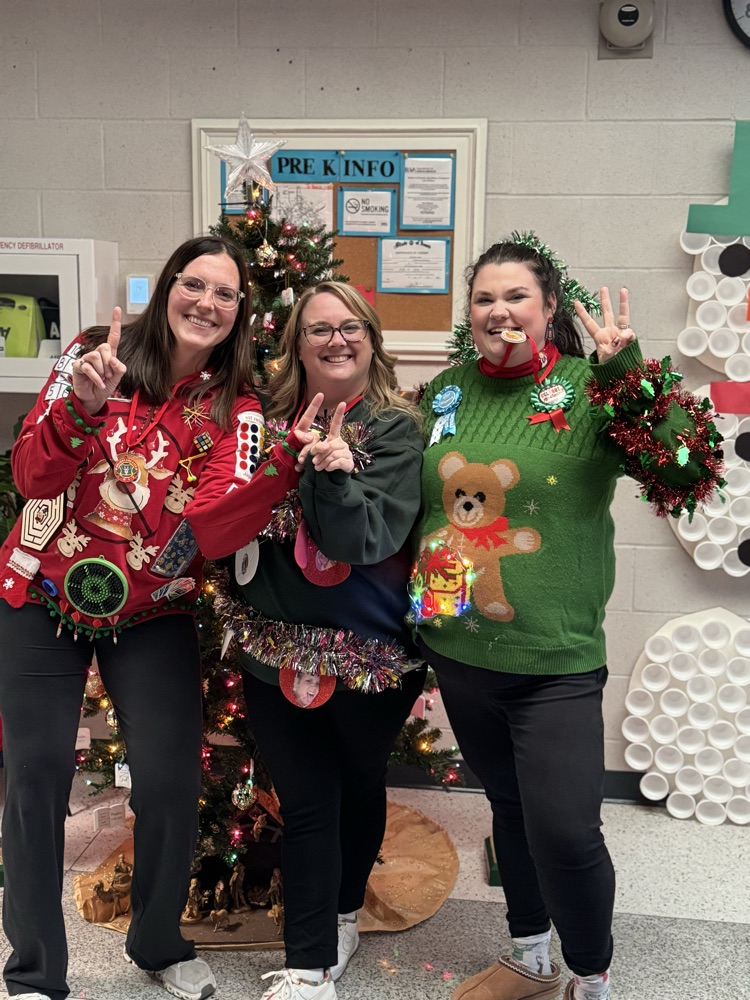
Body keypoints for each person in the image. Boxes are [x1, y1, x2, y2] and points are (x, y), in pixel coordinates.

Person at [412, 233, 724, 1000]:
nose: (499, 311)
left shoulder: (593, 391)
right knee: (509, 810)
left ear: (550, 307)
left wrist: (629, 371)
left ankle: (591, 972)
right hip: (458, 651)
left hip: (553, 662)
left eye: (517, 296)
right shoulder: (445, 392)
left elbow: (688, 469)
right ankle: (532, 954)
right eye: (484, 298)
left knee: (566, 831)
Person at [0, 234, 263, 1000]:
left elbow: (214, 525)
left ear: (239, 310)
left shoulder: (236, 406)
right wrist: (81, 407)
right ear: (167, 287)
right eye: (194, 283)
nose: (206, 303)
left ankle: (156, 943)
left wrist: (276, 470)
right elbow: (29, 475)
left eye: (224, 293)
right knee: (37, 775)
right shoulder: (90, 354)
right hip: (41, 592)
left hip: (152, 609)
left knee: (171, 778)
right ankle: (36, 973)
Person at [187, 281, 426, 1000]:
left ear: (372, 339)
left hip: (372, 660)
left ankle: (345, 915)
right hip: (273, 655)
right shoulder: (259, 421)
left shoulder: (396, 429)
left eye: (350, 327)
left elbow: (360, 540)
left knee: (358, 787)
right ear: (296, 343)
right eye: (318, 329)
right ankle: (310, 961)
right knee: (307, 801)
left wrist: (333, 471)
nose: (336, 341)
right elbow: (223, 518)